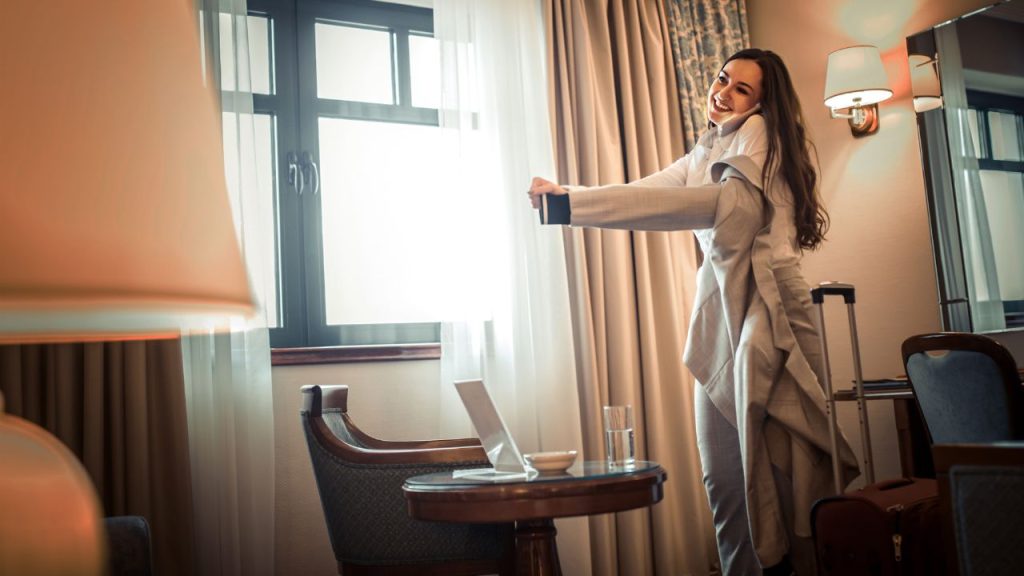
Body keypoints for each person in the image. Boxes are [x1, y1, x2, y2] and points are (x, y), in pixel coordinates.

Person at [528, 49, 859, 576]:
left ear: (763, 103)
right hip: (723, 307)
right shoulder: (710, 146)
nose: (722, 92)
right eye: (722, 79)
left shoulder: (761, 133)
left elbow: (719, 209)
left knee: (779, 473)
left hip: (769, 311)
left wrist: (570, 206)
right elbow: (649, 192)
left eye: (741, 89)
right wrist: (567, 197)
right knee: (725, 480)